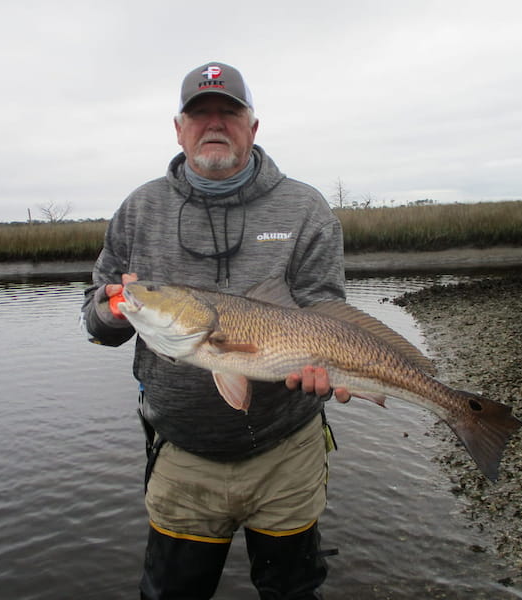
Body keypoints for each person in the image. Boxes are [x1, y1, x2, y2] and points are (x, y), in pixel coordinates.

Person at [81, 61, 350, 599]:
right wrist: (111, 312)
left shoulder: (305, 208)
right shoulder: (139, 209)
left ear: (253, 126)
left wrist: (328, 366)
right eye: (199, 113)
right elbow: (98, 308)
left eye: (229, 112)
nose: (214, 124)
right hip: (182, 454)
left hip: (287, 451)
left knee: (293, 590)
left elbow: (328, 310)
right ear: (178, 129)